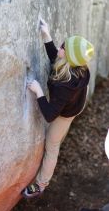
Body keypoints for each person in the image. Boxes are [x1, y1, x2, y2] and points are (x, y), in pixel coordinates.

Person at [22, 18, 95, 198]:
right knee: (57, 134)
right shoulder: (76, 65)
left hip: (67, 112)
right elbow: (56, 56)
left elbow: (49, 115)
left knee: (52, 144)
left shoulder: (65, 86)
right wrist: (46, 35)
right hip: (76, 101)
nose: (60, 48)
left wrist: (39, 91)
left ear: (68, 57)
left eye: (63, 47)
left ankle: (41, 185)